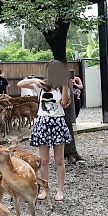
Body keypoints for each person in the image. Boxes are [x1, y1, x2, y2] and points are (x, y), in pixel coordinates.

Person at [17, 60, 72, 202]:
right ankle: (44, 188)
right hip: (43, 123)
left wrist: (66, 84)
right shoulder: (41, 86)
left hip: (58, 122)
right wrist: (35, 80)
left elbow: (64, 103)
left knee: (59, 160)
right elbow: (19, 84)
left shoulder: (62, 87)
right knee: (44, 160)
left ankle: (60, 190)